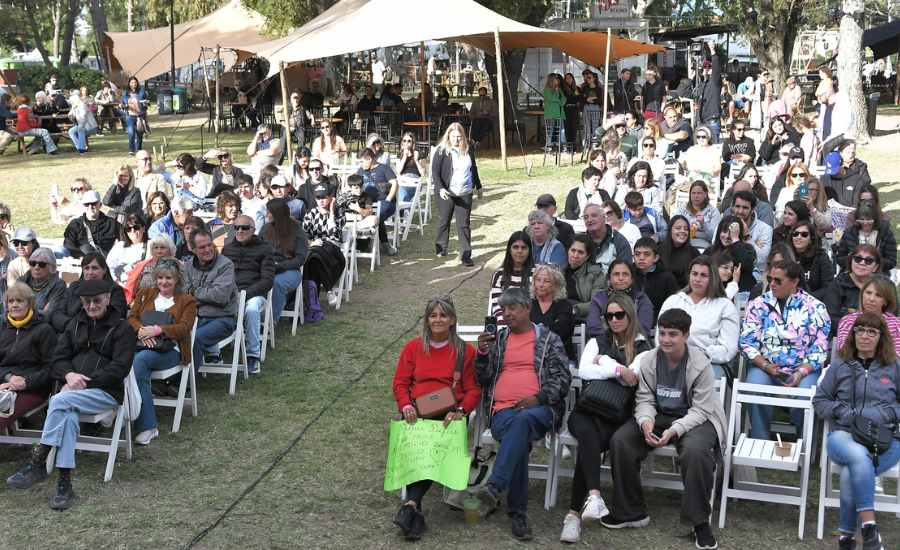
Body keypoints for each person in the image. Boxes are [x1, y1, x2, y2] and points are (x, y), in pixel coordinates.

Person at [6, 278, 135, 510]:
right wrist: (68, 376)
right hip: (71, 392)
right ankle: (65, 486)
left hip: (104, 392)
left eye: (97, 301)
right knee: (67, 415)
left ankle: (38, 462)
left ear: (107, 299)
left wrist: (82, 383)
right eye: (86, 302)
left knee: (58, 400)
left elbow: (119, 369)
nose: (92, 306)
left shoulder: (123, 328)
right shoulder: (75, 324)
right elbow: (57, 359)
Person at [603, 308, 726, 550]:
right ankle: (630, 512)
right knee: (621, 440)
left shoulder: (701, 363)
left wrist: (674, 431)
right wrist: (646, 422)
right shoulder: (649, 359)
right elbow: (645, 399)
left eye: (673, 334)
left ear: (686, 335)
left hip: (696, 417)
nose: (666, 340)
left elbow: (701, 410)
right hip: (659, 414)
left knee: (695, 452)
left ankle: (699, 521)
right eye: (663, 333)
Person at [471, 287, 571, 541]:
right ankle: (517, 513)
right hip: (502, 411)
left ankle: (496, 486)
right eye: (503, 310)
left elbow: (562, 379)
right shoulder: (499, 340)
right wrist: (482, 353)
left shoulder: (548, 339)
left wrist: (537, 398)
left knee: (524, 421)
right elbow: (481, 379)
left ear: (527, 308)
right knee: (519, 431)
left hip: (540, 410)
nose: (507, 314)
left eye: (513, 308)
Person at [559, 294, 651, 544]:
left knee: (589, 443)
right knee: (588, 436)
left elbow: (633, 377)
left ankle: (574, 514)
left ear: (630, 315)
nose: (614, 320)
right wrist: (617, 369)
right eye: (609, 316)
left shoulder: (644, 347)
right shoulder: (597, 340)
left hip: (615, 415)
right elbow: (585, 370)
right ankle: (592, 498)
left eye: (619, 314)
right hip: (587, 410)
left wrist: (607, 362)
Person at [390, 295, 479, 541]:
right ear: (427, 320)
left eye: (443, 315)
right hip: (416, 409)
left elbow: (473, 390)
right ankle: (413, 508)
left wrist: (461, 410)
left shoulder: (465, 351)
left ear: (452, 320)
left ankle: (411, 505)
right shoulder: (413, 347)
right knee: (423, 435)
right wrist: (405, 404)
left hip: (448, 412)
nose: (438, 319)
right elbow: (400, 382)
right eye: (433, 315)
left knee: (432, 439)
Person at [813, 312, 900, 550]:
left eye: (872, 331)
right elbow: (820, 401)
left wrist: (887, 414)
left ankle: (846, 539)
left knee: (851, 472)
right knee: (858, 457)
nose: (865, 336)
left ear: (881, 337)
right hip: (844, 435)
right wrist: (843, 412)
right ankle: (869, 529)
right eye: (860, 330)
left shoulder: (894, 366)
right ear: (853, 334)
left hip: (885, 440)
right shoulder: (840, 364)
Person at [740, 260, 830, 439]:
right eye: (770, 279)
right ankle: (760, 440)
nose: (772, 284)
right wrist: (765, 366)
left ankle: (803, 442)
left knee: (806, 395)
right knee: (754, 387)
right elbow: (746, 342)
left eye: (778, 281)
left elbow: (820, 348)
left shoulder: (815, 307)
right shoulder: (758, 304)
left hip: (803, 369)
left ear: (794, 282)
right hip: (766, 367)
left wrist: (801, 372)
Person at [127, 259, 197, 445]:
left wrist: (158, 330)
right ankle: (125, 411)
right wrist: (142, 330)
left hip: (171, 350)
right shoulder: (145, 294)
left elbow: (184, 328)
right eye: (160, 278)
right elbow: (131, 317)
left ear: (177, 280)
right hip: (143, 344)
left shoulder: (187, 301)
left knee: (139, 362)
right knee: (128, 361)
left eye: (168, 278)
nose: (163, 282)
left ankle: (146, 425)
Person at [659, 256, 740, 379]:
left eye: (703, 275)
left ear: (713, 278)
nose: (697, 279)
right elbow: (659, 337)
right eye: (694, 274)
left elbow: (729, 348)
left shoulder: (725, 306)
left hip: (709, 362)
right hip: (672, 358)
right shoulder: (673, 301)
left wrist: (700, 355)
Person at [0, 282, 57, 433]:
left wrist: (26, 382)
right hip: (4, 385)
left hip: (32, 389)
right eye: (11, 301)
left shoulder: (44, 330)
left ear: (30, 304)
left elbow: (52, 368)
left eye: (20, 301)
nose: (15, 305)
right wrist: (8, 377)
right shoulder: (3, 329)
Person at [222, 215, 274, 374]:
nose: (240, 231)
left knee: (251, 310)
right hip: (230, 294)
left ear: (253, 229)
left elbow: (267, 280)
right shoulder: (227, 249)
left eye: (244, 228)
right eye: (236, 227)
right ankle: (213, 354)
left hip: (254, 293)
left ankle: (253, 356)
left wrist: (245, 294)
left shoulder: (265, 249)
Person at [183, 228, 237, 370]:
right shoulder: (187, 266)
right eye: (202, 247)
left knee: (196, 339)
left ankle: (184, 385)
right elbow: (184, 294)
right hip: (195, 318)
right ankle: (169, 379)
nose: (208, 249)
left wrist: (196, 293)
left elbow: (220, 296)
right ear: (193, 249)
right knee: (174, 334)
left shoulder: (226, 265)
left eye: (209, 245)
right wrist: (205, 293)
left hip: (222, 318)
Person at [432, 122, 481, 267]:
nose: (456, 140)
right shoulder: (442, 150)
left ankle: (466, 254)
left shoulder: (469, 149)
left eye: (459, 137)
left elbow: (474, 168)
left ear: (463, 137)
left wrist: (479, 186)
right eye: (453, 136)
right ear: (448, 136)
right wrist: (440, 188)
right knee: (444, 220)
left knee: (464, 224)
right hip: (447, 192)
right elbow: (435, 172)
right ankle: (441, 247)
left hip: (465, 192)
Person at [49, 253, 127, 333]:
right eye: (86, 268)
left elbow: (117, 316)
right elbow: (57, 314)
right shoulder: (74, 287)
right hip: (70, 332)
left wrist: (83, 327)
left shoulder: (114, 290)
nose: (90, 272)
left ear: (104, 270)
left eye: (94, 268)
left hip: (99, 336)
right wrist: (74, 326)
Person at [260, 199, 308, 323]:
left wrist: (280, 266)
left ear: (278, 213)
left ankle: (270, 322)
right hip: (267, 268)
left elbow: (300, 258)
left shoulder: (297, 231)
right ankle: (251, 317)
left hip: (289, 270)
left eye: (269, 212)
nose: (267, 215)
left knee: (276, 283)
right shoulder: (265, 229)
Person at [586, 259, 654, 338]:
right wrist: (614, 340)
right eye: (616, 274)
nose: (621, 278)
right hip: (604, 344)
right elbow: (593, 328)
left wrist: (623, 340)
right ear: (609, 278)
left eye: (625, 274)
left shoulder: (641, 299)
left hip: (635, 345)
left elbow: (643, 329)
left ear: (632, 279)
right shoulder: (599, 299)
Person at [824, 244, 883, 332]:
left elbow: (890, 315)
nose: (862, 263)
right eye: (857, 259)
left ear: (875, 267)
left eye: (868, 261)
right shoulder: (838, 284)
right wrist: (856, 331)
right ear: (851, 261)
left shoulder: (883, 287)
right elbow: (830, 317)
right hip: (843, 336)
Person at [302, 184, 346, 301]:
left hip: (332, 248)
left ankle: (312, 299)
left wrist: (331, 212)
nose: (321, 200)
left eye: (324, 197)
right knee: (314, 259)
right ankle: (328, 291)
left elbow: (334, 233)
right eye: (318, 198)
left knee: (314, 257)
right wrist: (311, 242)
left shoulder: (339, 212)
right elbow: (304, 234)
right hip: (315, 247)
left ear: (331, 197)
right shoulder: (310, 214)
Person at [356, 147, 398, 257]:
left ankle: (368, 244)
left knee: (377, 215)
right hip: (368, 205)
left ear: (369, 158)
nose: (361, 164)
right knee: (370, 216)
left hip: (385, 203)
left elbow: (394, 184)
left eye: (362, 161)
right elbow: (354, 183)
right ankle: (367, 243)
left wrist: (388, 199)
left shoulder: (384, 168)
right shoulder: (361, 170)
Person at [530, 265, 576, 360]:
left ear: (556, 285)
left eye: (546, 281)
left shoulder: (564, 306)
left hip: (559, 358)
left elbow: (559, 334)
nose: (541, 284)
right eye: (538, 280)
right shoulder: (527, 305)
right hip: (531, 356)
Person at [836, 202, 896, 273]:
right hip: (851, 273)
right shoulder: (849, 233)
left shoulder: (886, 233)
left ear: (875, 219)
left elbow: (892, 261)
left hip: (877, 275)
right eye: (862, 219)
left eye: (869, 220)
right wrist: (854, 259)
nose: (865, 223)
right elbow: (840, 259)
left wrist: (873, 261)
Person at [704, 215, 757, 293]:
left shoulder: (747, 249)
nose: (727, 236)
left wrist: (735, 240)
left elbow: (747, 264)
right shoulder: (711, 250)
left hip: (739, 294)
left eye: (731, 232)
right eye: (724, 231)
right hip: (713, 293)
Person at [489, 232, 534, 323]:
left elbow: (536, 306)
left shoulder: (536, 274)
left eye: (524, 247)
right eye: (515, 247)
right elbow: (497, 307)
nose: (519, 251)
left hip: (529, 324)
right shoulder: (499, 274)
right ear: (509, 250)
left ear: (529, 250)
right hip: (504, 323)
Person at [62, 190, 120, 259]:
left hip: (107, 262)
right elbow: (68, 244)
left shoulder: (112, 224)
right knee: (85, 247)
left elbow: (124, 243)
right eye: (87, 204)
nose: (90, 207)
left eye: (93, 203)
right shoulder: (75, 224)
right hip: (84, 262)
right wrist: (81, 256)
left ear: (100, 205)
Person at [633, 237, 680, 319]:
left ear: (656, 258)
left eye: (646, 254)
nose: (641, 258)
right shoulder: (629, 273)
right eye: (637, 254)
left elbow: (673, 305)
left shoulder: (667, 278)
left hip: (657, 322)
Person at [730, 190, 772, 280]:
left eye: (745, 208)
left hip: (754, 273)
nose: (740, 211)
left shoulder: (765, 229)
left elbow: (761, 260)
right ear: (733, 207)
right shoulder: (724, 224)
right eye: (737, 206)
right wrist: (755, 245)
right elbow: (717, 247)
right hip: (728, 270)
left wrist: (747, 237)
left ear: (752, 209)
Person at [124, 234, 177, 302]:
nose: (159, 251)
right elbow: (132, 291)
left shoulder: (178, 266)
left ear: (170, 250)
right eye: (156, 248)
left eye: (162, 248)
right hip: (143, 305)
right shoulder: (142, 266)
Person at [581, 204, 632, 274]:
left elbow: (626, 273)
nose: (589, 220)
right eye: (586, 217)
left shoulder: (619, 241)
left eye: (594, 216)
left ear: (604, 218)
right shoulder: (581, 241)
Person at [564, 235, 604, 321]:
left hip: (582, 319)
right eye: (573, 250)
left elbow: (597, 304)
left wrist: (575, 309)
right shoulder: (558, 271)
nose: (575, 255)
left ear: (587, 256)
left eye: (580, 252)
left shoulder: (596, 274)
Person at [789, 219, 833, 294]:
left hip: (813, 301)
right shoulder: (786, 255)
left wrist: (808, 300)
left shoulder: (821, 257)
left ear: (810, 239)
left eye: (804, 235)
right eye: (795, 234)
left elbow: (828, 287)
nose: (799, 237)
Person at [674, 181, 721, 250]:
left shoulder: (713, 212)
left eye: (699, 193)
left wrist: (704, 224)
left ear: (705, 194)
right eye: (693, 193)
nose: (696, 196)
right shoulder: (682, 210)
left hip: (704, 247)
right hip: (684, 245)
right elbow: (673, 229)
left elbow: (715, 237)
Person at [823, 140, 871, 207]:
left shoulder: (861, 166)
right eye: (848, 152)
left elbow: (866, 183)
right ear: (841, 153)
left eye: (853, 152)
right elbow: (826, 147)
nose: (851, 155)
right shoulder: (834, 164)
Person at [20, 248, 66, 315]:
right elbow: (10, 307)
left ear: (51, 267)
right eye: (33, 263)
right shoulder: (23, 280)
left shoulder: (58, 285)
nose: (36, 267)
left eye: (42, 264)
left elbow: (48, 314)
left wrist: (21, 311)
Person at [106, 213, 148, 286]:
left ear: (143, 228)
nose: (132, 231)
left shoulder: (152, 245)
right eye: (128, 229)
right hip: (122, 286)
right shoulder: (119, 246)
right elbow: (108, 267)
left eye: (136, 227)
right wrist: (118, 283)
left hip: (143, 286)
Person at [692, 43, 722, 143]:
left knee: (714, 149)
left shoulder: (715, 81)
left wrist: (713, 51)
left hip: (712, 122)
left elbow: (716, 67)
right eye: (705, 67)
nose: (707, 68)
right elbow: (694, 95)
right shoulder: (702, 84)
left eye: (709, 66)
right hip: (702, 121)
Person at [66, 90, 98, 155]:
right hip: (82, 125)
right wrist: (70, 116)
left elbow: (83, 118)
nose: (71, 103)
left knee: (81, 130)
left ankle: (82, 150)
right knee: (71, 131)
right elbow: (71, 117)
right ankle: (79, 147)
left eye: (72, 102)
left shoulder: (82, 106)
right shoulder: (74, 107)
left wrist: (80, 126)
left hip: (91, 126)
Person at [122, 76, 147, 155]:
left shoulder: (141, 91)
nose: (134, 84)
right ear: (129, 83)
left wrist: (145, 104)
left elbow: (145, 102)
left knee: (139, 133)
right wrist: (124, 105)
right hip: (130, 115)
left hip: (140, 115)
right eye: (132, 82)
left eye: (135, 82)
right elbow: (123, 102)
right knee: (131, 132)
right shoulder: (126, 92)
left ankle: (138, 149)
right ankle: (131, 150)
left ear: (137, 83)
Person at [543, 74, 566, 146]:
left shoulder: (559, 89)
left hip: (560, 113)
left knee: (562, 130)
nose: (558, 80)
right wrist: (557, 95)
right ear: (551, 80)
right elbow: (552, 98)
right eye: (556, 79)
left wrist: (560, 102)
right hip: (551, 113)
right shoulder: (547, 90)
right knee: (551, 129)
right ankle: (549, 144)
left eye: (558, 79)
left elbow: (564, 99)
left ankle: (562, 145)